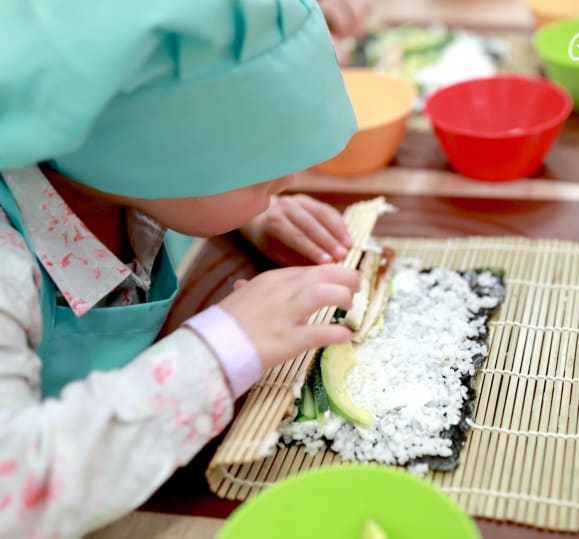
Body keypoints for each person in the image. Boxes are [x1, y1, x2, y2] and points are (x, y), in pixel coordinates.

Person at [0, 1, 361, 537]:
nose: (289, 177)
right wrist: (223, 349)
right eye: (259, 165)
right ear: (142, 156)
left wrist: (251, 209)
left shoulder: (107, 172)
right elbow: (16, 492)